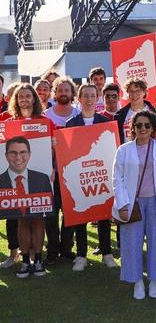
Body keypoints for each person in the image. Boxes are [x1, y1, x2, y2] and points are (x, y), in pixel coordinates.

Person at [113, 110, 156, 300]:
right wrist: (123, 203)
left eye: (147, 125)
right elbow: (117, 179)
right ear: (133, 128)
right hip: (133, 203)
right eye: (139, 125)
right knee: (132, 243)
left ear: (153, 128)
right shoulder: (124, 150)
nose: (143, 129)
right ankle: (137, 281)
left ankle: (155, 280)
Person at [63, 84, 116, 271]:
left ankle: (107, 252)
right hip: (80, 176)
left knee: (103, 213)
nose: (89, 99)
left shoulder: (106, 122)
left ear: (98, 97)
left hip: (101, 174)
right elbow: (67, 152)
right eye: (85, 95)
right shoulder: (70, 124)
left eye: (93, 95)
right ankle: (81, 255)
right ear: (79, 98)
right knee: (81, 215)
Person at [2, 136, 53, 278]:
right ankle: (25, 261)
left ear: (29, 154)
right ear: (6, 155)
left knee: (38, 221)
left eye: (23, 152)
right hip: (15, 204)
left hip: (38, 205)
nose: (18, 157)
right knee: (22, 222)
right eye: (13, 152)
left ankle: (37, 260)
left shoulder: (42, 178)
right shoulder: (1, 180)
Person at [43, 77, 81, 265]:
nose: (64, 94)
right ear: (55, 93)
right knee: (51, 213)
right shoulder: (45, 116)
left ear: (72, 94)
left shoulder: (79, 114)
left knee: (70, 212)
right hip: (52, 173)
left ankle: (67, 248)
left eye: (67, 90)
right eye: (60, 90)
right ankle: (52, 249)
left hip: (73, 173)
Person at [114, 78, 155, 144]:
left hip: (150, 152)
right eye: (131, 91)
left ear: (144, 92)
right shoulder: (119, 115)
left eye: (138, 91)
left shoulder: (154, 113)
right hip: (128, 153)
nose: (134, 94)